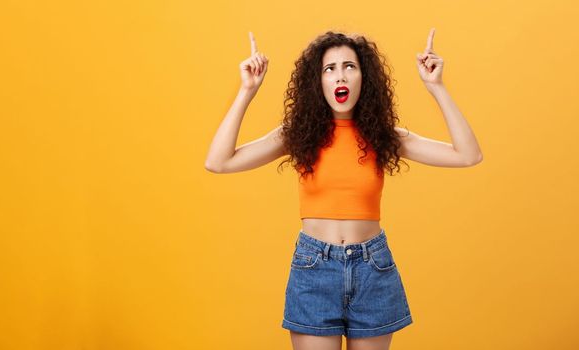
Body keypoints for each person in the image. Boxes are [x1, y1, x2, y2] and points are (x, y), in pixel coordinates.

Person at [204, 29, 483, 350]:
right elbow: (219, 161)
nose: (341, 75)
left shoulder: (384, 135)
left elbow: (468, 155)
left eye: (350, 66)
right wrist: (246, 91)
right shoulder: (296, 135)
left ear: (364, 78)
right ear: (318, 82)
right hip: (314, 269)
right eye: (330, 68)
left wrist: (436, 88)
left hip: (372, 269)